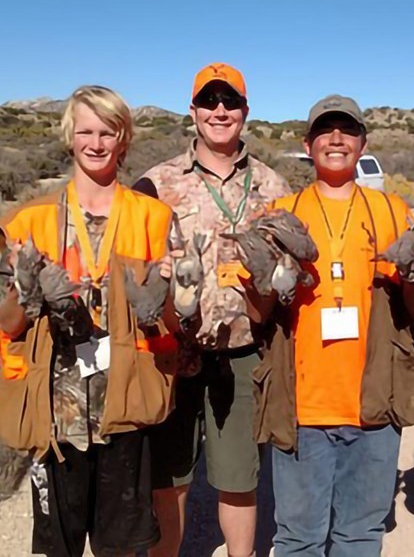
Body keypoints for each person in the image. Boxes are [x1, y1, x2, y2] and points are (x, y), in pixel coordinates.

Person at [247, 94, 414, 556]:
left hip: (375, 403)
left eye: (347, 130)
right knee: (298, 538)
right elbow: (257, 314)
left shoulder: (391, 211)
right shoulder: (281, 214)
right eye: (325, 130)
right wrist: (265, 275)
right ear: (308, 144)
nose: (336, 138)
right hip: (304, 404)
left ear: (363, 144)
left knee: (360, 535)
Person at [0, 85, 178, 557]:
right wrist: (24, 288)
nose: (96, 143)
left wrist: (164, 296)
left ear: (124, 139)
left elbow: (170, 319)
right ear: (69, 136)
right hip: (55, 413)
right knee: (60, 547)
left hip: (124, 406)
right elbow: (8, 325)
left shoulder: (154, 217)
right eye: (86, 131)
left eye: (108, 132)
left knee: (119, 547)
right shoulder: (28, 220)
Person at [136, 62, 291, 557]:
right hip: (173, 354)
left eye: (230, 102)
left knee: (239, 478)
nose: (219, 111)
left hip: (245, 351)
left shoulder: (275, 187)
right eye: (209, 101)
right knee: (171, 480)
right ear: (193, 110)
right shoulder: (155, 184)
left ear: (245, 111)